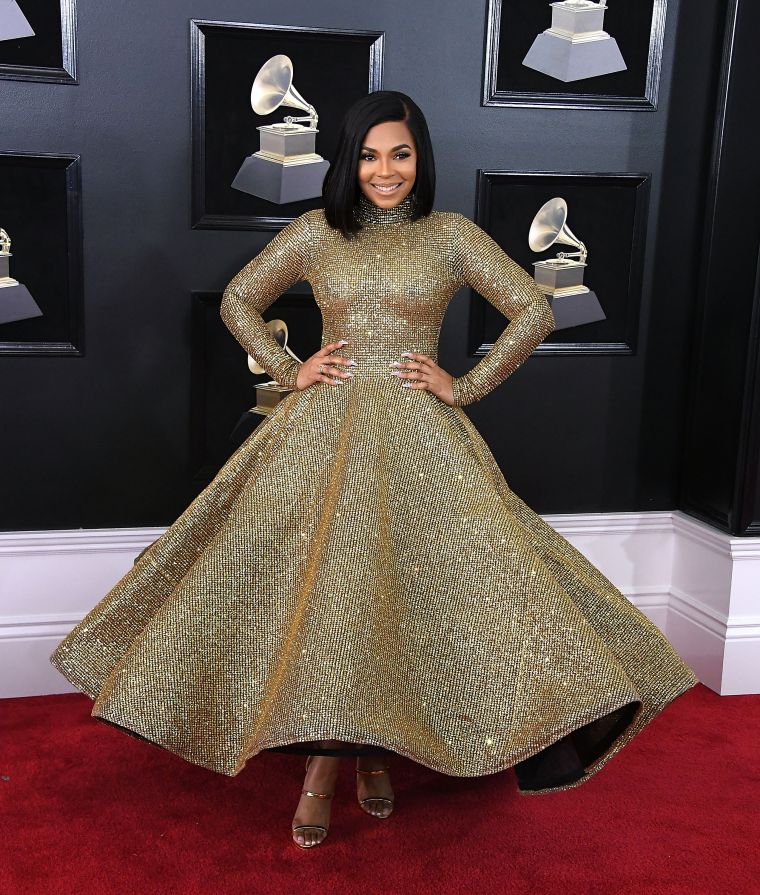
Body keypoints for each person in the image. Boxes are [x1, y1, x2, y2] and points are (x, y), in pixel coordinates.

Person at [51, 90, 697, 850]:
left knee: (407, 597)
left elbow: (534, 309)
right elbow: (238, 300)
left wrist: (465, 384)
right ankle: (324, 769)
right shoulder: (318, 232)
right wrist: (291, 368)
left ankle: (378, 756)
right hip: (328, 433)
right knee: (334, 597)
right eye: (368, 155)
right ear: (349, 161)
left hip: (424, 438)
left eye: (400, 154)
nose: (384, 171)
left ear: (420, 159)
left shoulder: (451, 234)